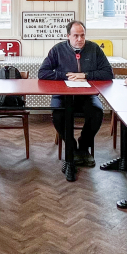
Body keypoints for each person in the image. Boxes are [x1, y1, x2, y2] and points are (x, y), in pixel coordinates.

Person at [39, 20, 113, 168]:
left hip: (87, 95)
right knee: (58, 114)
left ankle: (83, 147)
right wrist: (66, 75)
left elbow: (108, 73)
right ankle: (71, 147)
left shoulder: (94, 49)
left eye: (82, 35)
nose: (80, 39)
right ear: (68, 36)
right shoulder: (58, 50)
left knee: (97, 112)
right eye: (76, 36)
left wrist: (85, 75)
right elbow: (43, 73)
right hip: (62, 95)